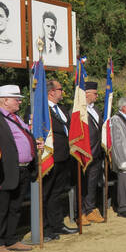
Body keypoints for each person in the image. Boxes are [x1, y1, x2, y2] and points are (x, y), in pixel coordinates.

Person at [0, 85, 37, 252]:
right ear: (5, 100)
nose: (20, 101)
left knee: (15, 207)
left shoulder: (16, 117)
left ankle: (11, 239)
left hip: (22, 170)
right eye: (16, 99)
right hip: (3, 171)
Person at [45, 80, 77, 239]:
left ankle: (57, 224)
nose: (62, 92)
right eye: (60, 89)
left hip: (64, 156)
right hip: (49, 157)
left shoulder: (62, 109)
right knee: (46, 192)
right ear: (51, 92)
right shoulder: (40, 109)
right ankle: (45, 228)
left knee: (57, 193)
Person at [81, 81, 105, 225]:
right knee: (83, 184)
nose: (97, 96)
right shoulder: (79, 110)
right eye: (95, 93)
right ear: (87, 94)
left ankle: (90, 209)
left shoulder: (96, 110)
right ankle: (81, 212)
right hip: (85, 153)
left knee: (92, 184)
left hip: (97, 153)